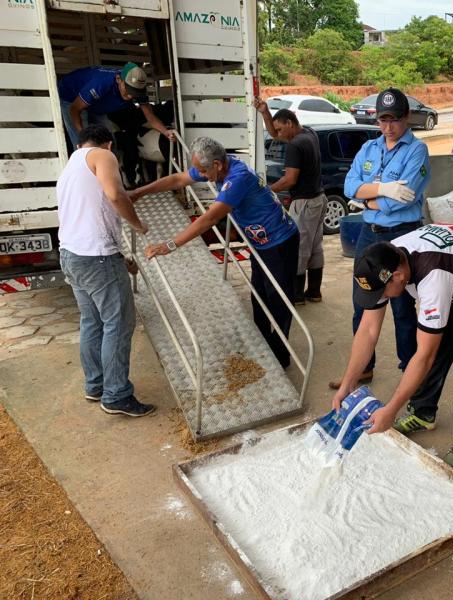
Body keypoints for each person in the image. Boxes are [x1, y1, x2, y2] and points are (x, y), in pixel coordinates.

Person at [331, 223, 453, 471]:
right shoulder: (385, 260)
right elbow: (368, 330)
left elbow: (423, 357)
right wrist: (348, 384)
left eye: (381, 293)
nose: (379, 299)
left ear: (398, 277)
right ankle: (422, 412)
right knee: (438, 347)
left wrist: (390, 410)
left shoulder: (432, 276)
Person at [130, 137, 300, 368]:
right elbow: (178, 179)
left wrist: (169, 245)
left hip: (279, 242)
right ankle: (264, 344)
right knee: (259, 294)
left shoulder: (237, 178)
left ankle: (281, 355)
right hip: (259, 242)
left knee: (278, 299)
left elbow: (209, 218)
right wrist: (140, 192)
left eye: (203, 171)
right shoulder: (217, 167)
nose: (202, 176)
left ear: (217, 165)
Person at [328, 88, 431, 390]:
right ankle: (363, 368)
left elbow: (402, 200)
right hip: (368, 236)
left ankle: (411, 373)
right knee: (363, 302)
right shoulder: (370, 148)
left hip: (402, 235)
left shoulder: (417, 151)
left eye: (395, 120)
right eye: (383, 120)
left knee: (402, 308)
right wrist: (385, 190)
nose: (388, 127)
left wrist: (369, 198)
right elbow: (349, 186)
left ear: (407, 117)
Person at [57, 124, 154, 417]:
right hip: (96, 258)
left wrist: (120, 257)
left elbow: (89, 217)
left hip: (71, 255)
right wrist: (138, 224)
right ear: (108, 145)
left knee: (92, 321)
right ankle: (117, 395)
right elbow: (114, 195)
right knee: (119, 323)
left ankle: (95, 384)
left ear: (79, 144)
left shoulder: (70, 167)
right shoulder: (103, 155)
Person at [253, 101, 325, 305]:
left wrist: (265, 190)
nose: (277, 134)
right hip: (319, 198)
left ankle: (296, 295)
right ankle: (314, 291)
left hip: (304, 202)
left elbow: (290, 179)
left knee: (299, 249)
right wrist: (265, 113)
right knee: (315, 246)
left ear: (290, 123)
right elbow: (275, 134)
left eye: (280, 128)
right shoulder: (309, 134)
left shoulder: (295, 145)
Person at [58, 62, 175, 153]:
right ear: (119, 79)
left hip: (96, 104)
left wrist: (166, 132)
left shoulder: (138, 90)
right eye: (128, 90)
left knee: (109, 142)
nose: (130, 96)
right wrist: (83, 137)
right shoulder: (101, 83)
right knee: (83, 146)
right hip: (71, 98)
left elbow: (150, 117)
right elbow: (74, 109)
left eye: (134, 93)